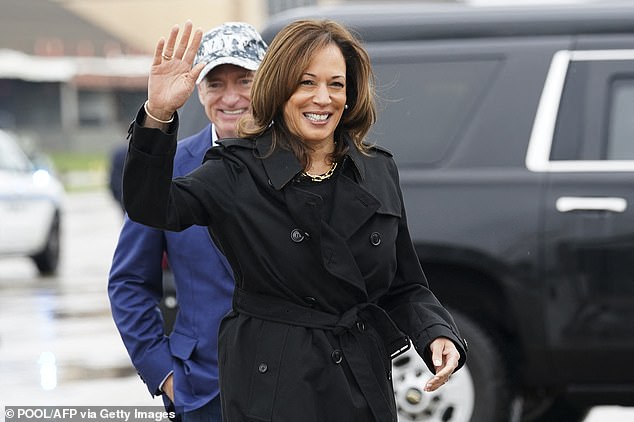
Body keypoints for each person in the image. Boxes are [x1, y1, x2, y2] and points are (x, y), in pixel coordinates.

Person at [122, 19, 468, 422]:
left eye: (336, 84)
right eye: (306, 83)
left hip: (361, 381)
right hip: (273, 387)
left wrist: (437, 332)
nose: (323, 98)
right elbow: (151, 207)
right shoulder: (236, 170)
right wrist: (157, 115)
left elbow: (405, 284)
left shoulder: (377, 170)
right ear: (279, 89)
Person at [108, 22, 267, 421]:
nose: (231, 98)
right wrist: (164, 374)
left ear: (266, 83)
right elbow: (128, 282)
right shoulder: (170, 167)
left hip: (290, 386)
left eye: (244, 80)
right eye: (215, 83)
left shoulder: (299, 163)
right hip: (202, 391)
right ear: (199, 90)